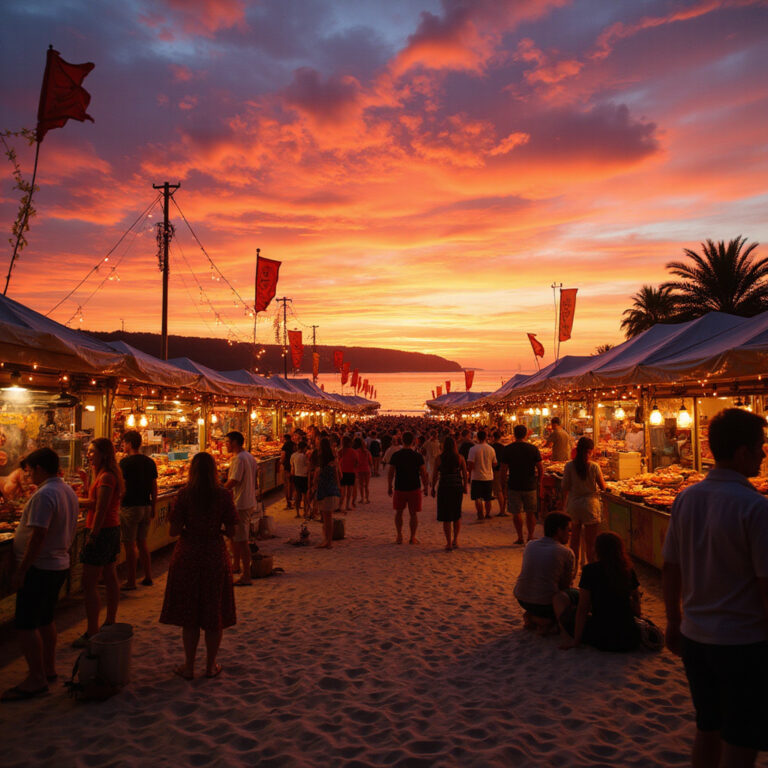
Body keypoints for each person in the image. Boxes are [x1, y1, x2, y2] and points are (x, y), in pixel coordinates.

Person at [662, 408, 768, 767]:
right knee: (741, 737)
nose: (764, 455)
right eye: (760, 447)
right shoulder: (755, 508)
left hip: (696, 639)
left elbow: (671, 566)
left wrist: (673, 621)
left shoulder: (686, 499)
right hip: (742, 641)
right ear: (741, 453)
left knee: (707, 728)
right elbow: (765, 584)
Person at [1, 449, 78, 701]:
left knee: (25, 624)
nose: (28, 473)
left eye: (31, 469)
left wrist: (22, 569)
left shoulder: (45, 494)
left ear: (41, 468)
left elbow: (38, 535)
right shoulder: (65, 489)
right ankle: (48, 668)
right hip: (57, 564)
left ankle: (36, 678)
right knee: (45, 619)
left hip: (41, 567)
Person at [160, 452, 237, 679]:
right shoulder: (223, 495)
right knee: (213, 613)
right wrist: (217, 530)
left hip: (188, 555)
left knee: (190, 613)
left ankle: (189, 665)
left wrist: (186, 528)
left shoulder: (184, 495)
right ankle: (210, 666)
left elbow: (173, 531)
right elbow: (233, 530)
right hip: (214, 553)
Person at [73, 438, 123, 648]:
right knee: (110, 576)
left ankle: (93, 630)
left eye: (93, 451)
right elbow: (95, 499)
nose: (89, 454)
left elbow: (99, 506)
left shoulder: (107, 477)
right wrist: (86, 481)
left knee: (89, 582)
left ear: (104, 453)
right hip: (110, 529)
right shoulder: (103, 475)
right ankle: (110, 619)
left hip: (102, 530)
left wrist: (93, 535)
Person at [560, 531, 641, 652]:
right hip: (629, 637)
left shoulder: (590, 570)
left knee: (567, 615)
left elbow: (583, 608)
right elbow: (636, 597)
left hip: (603, 637)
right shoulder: (627, 569)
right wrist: (638, 615)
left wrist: (576, 641)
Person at [513, 512, 577, 633]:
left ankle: (534, 617)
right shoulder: (566, 552)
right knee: (573, 600)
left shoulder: (530, 544)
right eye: (568, 530)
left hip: (522, 598)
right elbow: (565, 585)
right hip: (545, 603)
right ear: (559, 531)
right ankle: (541, 620)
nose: (570, 534)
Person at [119, 430, 158, 590]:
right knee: (142, 543)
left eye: (123, 443)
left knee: (129, 545)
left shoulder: (124, 463)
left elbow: (122, 487)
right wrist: (153, 506)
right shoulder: (149, 462)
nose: (123, 445)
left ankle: (131, 580)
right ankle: (148, 576)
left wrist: (117, 504)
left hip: (130, 507)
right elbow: (154, 486)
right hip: (146, 506)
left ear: (129, 444)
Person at [561, 436, 606, 566]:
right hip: (590, 506)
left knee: (574, 540)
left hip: (574, 505)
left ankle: (573, 569)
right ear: (591, 450)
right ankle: (590, 569)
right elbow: (603, 487)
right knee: (590, 542)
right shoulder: (594, 466)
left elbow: (565, 487)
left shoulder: (569, 466)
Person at [223, 431, 258, 587]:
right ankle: (236, 566)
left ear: (235, 442)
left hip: (241, 503)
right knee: (236, 538)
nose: (226, 445)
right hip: (249, 501)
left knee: (243, 541)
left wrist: (220, 490)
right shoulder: (249, 457)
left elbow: (234, 481)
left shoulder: (239, 459)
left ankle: (246, 575)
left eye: (228, 442)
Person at [500, 424, 544, 545]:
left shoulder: (508, 449)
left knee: (516, 512)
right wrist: (539, 481)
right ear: (526, 434)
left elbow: (503, 470)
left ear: (514, 434)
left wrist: (503, 484)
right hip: (530, 485)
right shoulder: (533, 449)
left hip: (514, 484)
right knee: (530, 512)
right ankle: (530, 535)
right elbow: (540, 468)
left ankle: (520, 537)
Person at [388, 432, 429, 545]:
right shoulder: (417, 456)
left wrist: (389, 486)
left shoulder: (396, 455)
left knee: (399, 513)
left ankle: (399, 536)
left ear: (402, 441)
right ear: (413, 441)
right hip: (414, 486)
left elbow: (391, 472)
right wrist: (425, 486)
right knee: (413, 514)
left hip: (400, 486)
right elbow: (423, 473)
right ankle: (412, 537)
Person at [431, 436, 468, 551]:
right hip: (456, 487)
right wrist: (465, 486)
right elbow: (465, 474)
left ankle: (448, 542)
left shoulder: (439, 458)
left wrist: (432, 487)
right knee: (456, 514)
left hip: (444, 487)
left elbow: (435, 475)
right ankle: (455, 540)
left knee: (446, 516)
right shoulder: (460, 458)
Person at [314, 437, 341, 548]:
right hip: (331, 491)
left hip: (325, 492)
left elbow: (316, 481)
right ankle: (327, 539)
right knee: (327, 518)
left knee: (327, 518)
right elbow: (338, 478)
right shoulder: (333, 464)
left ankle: (328, 541)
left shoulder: (322, 467)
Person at [467, 429, 497, 521]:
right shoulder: (491, 449)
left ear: (477, 437)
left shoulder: (473, 449)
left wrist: (469, 472)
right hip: (488, 476)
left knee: (477, 497)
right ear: (486, 438)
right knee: (488, 497)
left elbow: (470, 464)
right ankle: (487, 514)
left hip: (476, 476)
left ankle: (480, 513)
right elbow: (495, 463)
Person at [338, 435, 358, 511]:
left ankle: (340, 505)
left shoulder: (340, 451)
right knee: (349, 490)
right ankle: (347, 505)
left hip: (342, 472)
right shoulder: (353, 452)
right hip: (351, 472)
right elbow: (356, 462)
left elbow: (337, 462)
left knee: (342, 491)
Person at [489, 430, 507, 516]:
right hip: (502, 470)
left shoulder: (491, 447)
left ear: (493, 437)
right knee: (502, 490)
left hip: (494, 470)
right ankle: (503, 509)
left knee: (498, 490)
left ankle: (502, 511)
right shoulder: (503, 447)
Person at [290, 439, 309, 519]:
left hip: (296, 476)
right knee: (305, 496)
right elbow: (308, 465)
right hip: (304, 477)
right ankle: (305, 512)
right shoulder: (304, 456)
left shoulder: (293, 455)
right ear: (303, 448)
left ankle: (297, 513)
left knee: (298, 495)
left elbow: (292, 466)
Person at [354, 437, 372, 504]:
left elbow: (355, 462)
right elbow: (370, 462)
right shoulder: (367, 452)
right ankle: (367, 499)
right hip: (366, 469)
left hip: (359, 470)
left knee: (361, 486)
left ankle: (362, 498)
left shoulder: (356, 452)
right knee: (366, 486)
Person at [280, 433, 295, 509]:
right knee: (292, 484)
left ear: (285, 439)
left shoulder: (285, 446)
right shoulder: (294, 444)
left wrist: (281, 462)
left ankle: (288, 502)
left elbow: (283, 456)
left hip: (287, 466)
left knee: (286, 484)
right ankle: (292, 499)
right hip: (293, 467)